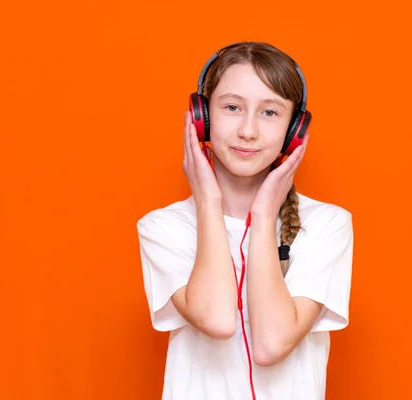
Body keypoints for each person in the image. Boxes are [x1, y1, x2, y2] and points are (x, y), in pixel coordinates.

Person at [136, 41, 354, 400]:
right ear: (201, 117)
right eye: (233, 107)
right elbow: (218, 320)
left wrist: (265, 214)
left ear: (294, 129)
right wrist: (207, 200)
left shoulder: (327, 225)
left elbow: (272, 344)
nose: (248, 131)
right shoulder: (164, 228)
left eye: (270, 113)